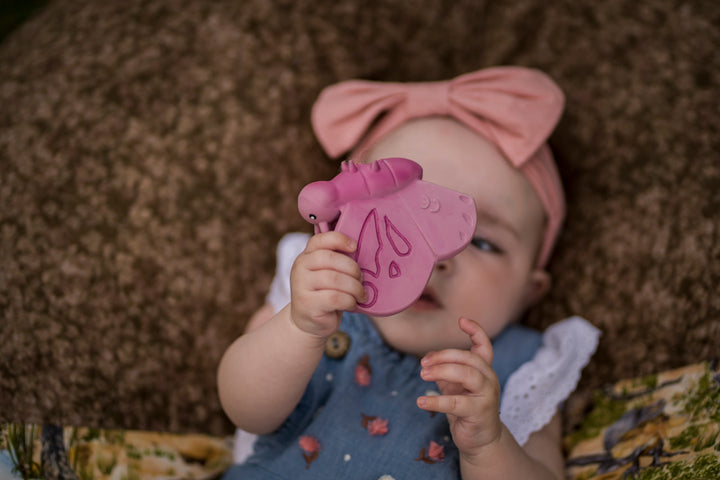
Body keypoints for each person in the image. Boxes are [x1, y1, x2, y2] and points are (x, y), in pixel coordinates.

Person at [217, 66, 600, 480]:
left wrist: (488, 445)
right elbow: (244, 409)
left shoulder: (523, 371)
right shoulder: (314, 304)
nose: (434, 256)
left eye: (482, 242)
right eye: (397, 217)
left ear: (530, 292)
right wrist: (299, 328)